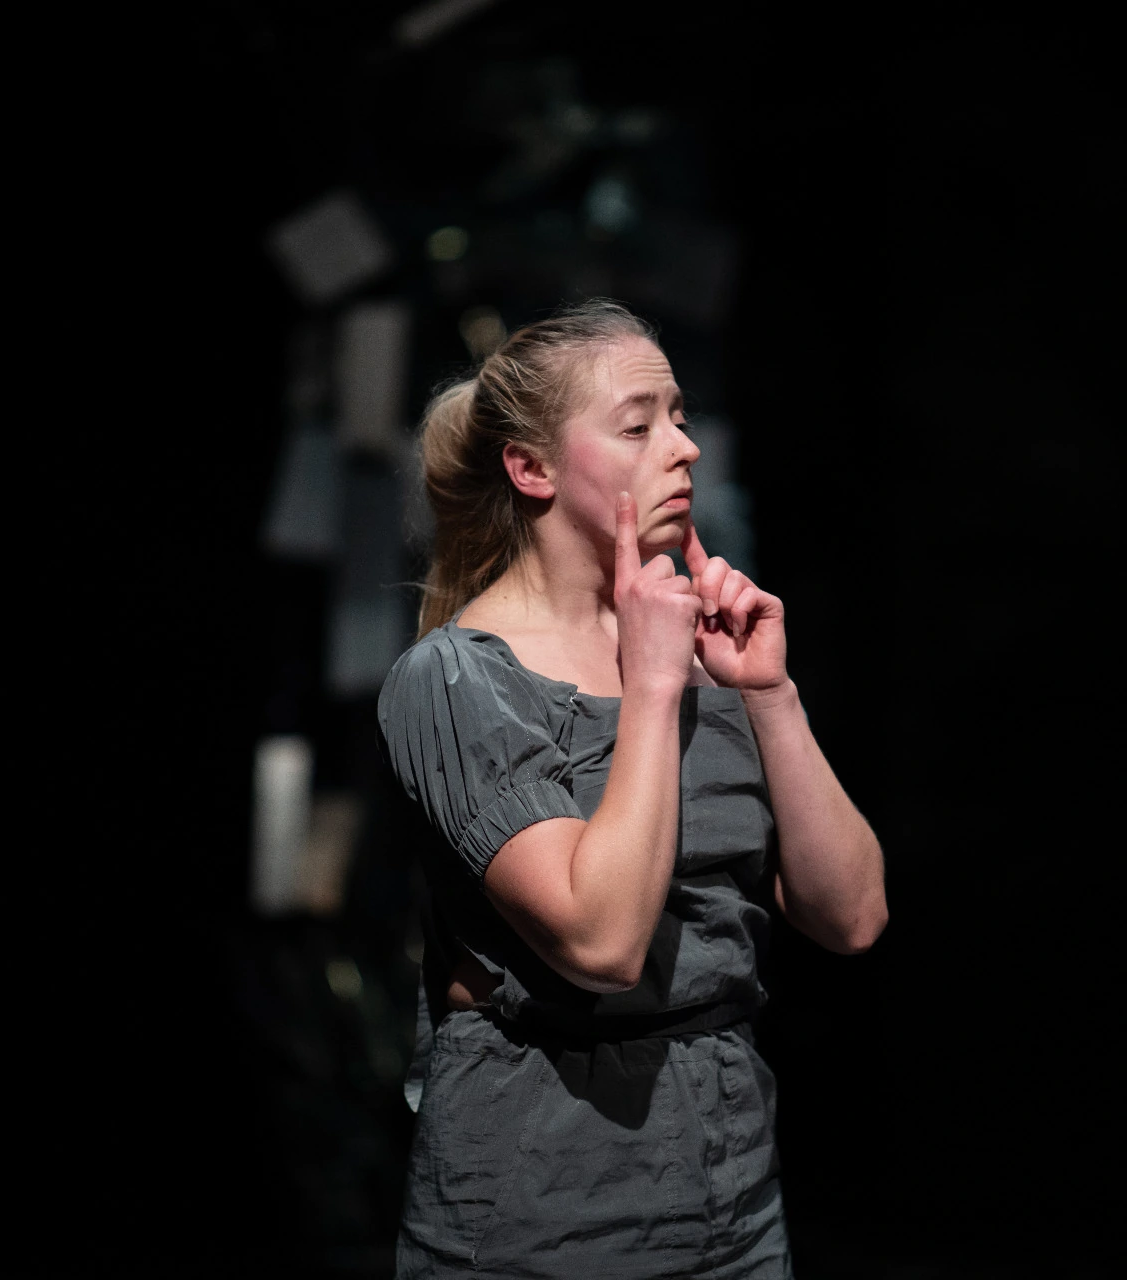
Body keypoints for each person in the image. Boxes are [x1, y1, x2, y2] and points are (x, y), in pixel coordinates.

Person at [378, 300, 887, 1278]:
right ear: (531, 468)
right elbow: (602, 943)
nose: (684, 447)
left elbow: (852, 914)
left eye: (681, 416)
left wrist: (769, 694)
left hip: (732, 1187)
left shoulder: (696, 648)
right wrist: (652, 687)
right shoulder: (455, 678)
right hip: (543, 1193)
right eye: (638, 423)